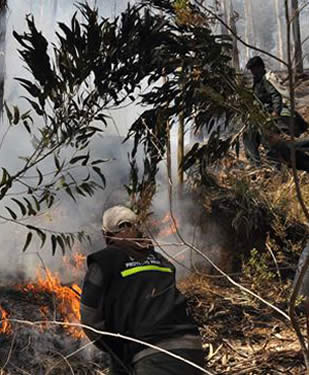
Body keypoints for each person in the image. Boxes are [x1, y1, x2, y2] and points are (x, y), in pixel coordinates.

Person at [80, 205, 204, 375]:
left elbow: (89, 319)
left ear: (105, 234)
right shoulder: (161, 261)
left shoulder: (103, 262)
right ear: (137, 229)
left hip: (155, 356)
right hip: (193, 350)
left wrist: (114, 348)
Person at [244, 56, 308, 166]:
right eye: (251, 70)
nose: (253, 72)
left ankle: (274, 167)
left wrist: (275, 113)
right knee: (250, 135)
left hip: (275, 114)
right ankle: (256, 164)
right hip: (264, 114)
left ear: (260, 67)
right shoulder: (257, 81)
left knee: (276, 143)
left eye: (254, 69)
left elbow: (276, 96)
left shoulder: (266, 79)